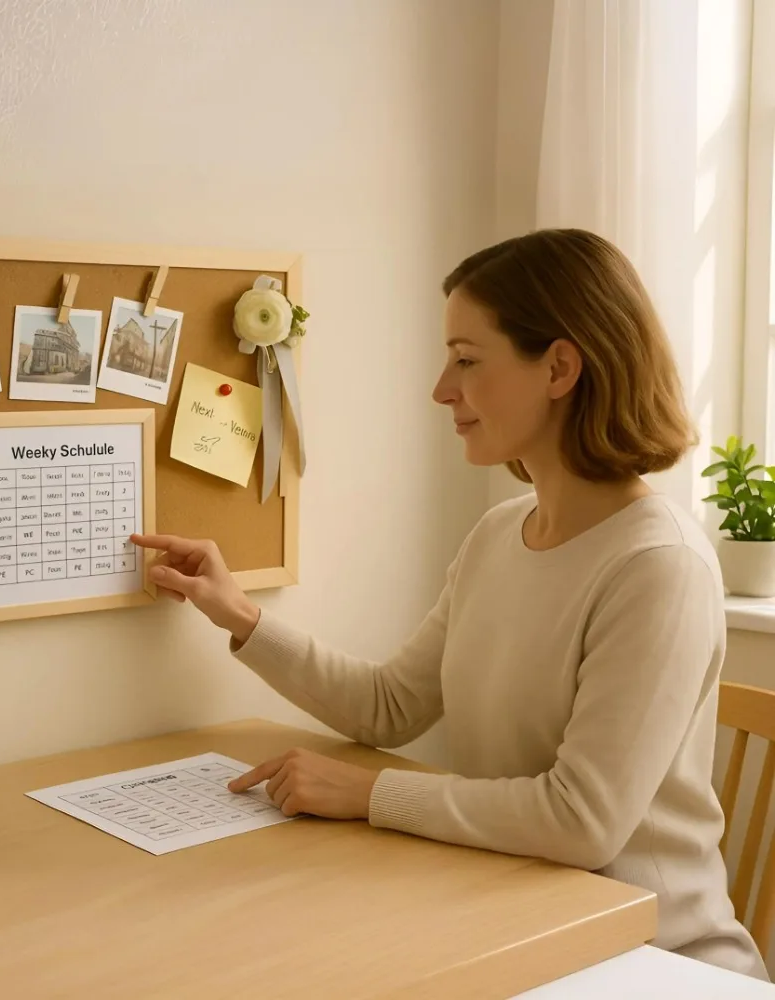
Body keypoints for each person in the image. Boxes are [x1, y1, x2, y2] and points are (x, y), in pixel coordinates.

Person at [131, 229, 769, 982]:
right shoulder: (502, 533)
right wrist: (240, 613)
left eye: (467, 360)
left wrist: (370, 793)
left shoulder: (658, 567)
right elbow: (389, 706)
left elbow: (582, 822)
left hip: (652, 959)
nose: (441, 389)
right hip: (512, 917)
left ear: (560, 367)